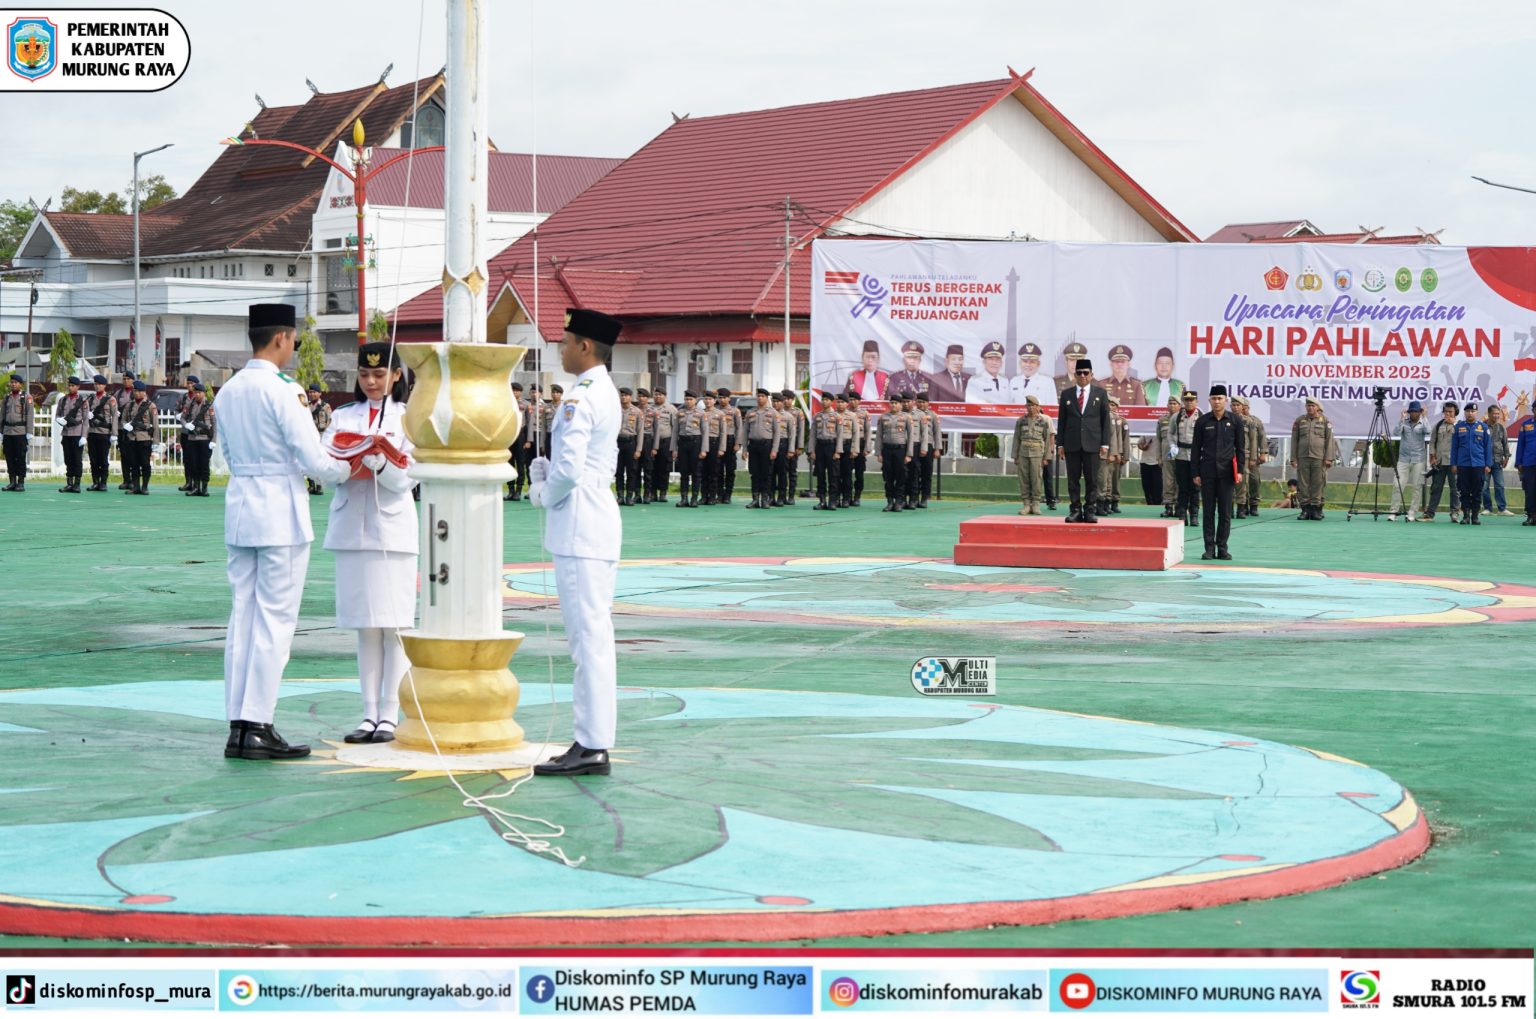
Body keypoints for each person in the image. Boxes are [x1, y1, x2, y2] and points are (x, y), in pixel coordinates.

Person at [218, 303, 351, 761]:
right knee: (275, 621)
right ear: (280, 338)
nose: (293, 347)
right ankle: (259, 722)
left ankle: (238, 724)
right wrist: (350, 467)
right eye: (293, 339)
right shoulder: (283, 390)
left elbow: (227, 458)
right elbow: (313, 458)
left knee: (243, 617)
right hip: (278, 511)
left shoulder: (229, 390)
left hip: (241, 508)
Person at [528, 308, 624, 777]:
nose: (561, 349)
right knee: (591, 638)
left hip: (581, 523)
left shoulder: (581, 397)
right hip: (592, 517)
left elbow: (568, 469)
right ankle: (591, 740)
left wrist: (543, 492)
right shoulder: (599, 390)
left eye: (566, 341)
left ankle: (591, 744)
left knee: (587, 641)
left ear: (585, 346)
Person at [321, 342, 418, 745]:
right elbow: (327, 468)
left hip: (392, 528)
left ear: (396, 375)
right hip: (351, 526)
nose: (372, 382)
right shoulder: (344, 416)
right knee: (364, 625)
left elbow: (411, 476)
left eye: (380, 375)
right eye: (365, 375)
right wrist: (349, 463)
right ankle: (368, 713)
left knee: (394, 624)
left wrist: (382, 463)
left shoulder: (410, 418)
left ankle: (391, 715)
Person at [1190, 384, 1244, 560]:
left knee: (1225, 512)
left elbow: (1241, 448)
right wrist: (1195, 473)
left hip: (1228, 473)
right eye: (1214, 398)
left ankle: (1222, 548)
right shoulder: (1203, 421)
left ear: (1226, 400)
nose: (1217, 401)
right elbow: (1196, 449)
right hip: (1207, 472)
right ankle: (1208, 549)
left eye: (1220, 398)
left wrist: (1240, 470)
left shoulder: (1235, 421)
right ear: (1209, 400)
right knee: (1208, 513)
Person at [1056, 358, 1111, 523]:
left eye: (1086, 372)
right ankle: (1075, 510)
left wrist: (1105, 443)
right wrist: (1060, 444)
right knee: (1073, 480)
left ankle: (1089, 510)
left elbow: (1105, 420)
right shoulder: (1066, 394)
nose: (1082, 375)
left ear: (1091, 374)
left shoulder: (1100, 394)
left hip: (1092, 443)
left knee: (1092, 480)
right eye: (1079, 373)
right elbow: (1062, 421)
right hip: (1072, 443)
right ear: (1075, 374)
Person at [1289, 397, 1335, 520]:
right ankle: (1305, 510)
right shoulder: (1300, 421)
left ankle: (1316, 509)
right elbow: (1294, 440)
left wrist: (1329, 458)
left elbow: (1330, 440)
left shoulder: (1325, 421)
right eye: (1308, 406)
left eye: (1313, 406)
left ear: (1318, 408)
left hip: (1319, 457)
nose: (1310, 408)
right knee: (1303, 484)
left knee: (1318, 483)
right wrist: (1293, 458)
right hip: (1303, 456)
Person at [1387, 400, 1430, 522]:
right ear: (1409, 412)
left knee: (1417, 486)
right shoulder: (1404, 422)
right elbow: (1396, 433)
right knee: (1397, 485)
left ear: (1420, 412)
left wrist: (1425, 416)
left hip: (1418, 459)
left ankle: (1412, 512)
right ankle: (1393, 511)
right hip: (1404, 459)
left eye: (1416, 411)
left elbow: (1428, 431)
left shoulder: (1423, 422)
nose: (1414, 414)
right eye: (1411, 411)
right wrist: (1401, 419)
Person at [1451, 402, 1492, 525]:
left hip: (1478, 464)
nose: (1470, 413)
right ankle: (1465, 516)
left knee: (1477, 491)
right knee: (1463, 491)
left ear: (1476, 413)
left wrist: (1488, 464)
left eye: (1473, 411)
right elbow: (1454, 447)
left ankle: (1475, 516)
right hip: (1463, 464)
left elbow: (1487, 447)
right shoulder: (1458, 427)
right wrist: (1453, 463)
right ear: (1465, 413)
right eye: (1468, 411)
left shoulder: (1483, 427)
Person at [741, 387, 782, 509]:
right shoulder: (750, 412)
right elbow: (745, 432)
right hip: (753, 445)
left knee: (766, 474)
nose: (760, 398)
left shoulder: (773, 413)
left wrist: (774, 450)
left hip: (767, 446)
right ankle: (755, 499)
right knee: (754, 473)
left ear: (767, 398)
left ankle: (765, 499)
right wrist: (744, 449)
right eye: (758, 396)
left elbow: (777, 433)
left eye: (763, 396)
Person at [1013, 395, 1053, 515]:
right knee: (1024, 478)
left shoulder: (1043, 421)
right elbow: (1016, 439)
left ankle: (1035, 503)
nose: (1030, 408)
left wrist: (1047, 457)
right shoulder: (1021, 421)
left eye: (1033, 406)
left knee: (1036, 478)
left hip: (1037, 453)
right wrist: (1015, 455)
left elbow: (1047, 441)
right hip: (1023, 453)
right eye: (1028, 406)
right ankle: (1026, 504)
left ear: (1038, 407)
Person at [876, 392, 915, 512]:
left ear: (900, 405)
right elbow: (878, 436)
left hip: (900, 450)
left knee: (901, 476)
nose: (893, 405)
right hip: (887, 450)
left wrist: (909, 454)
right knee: (888, 477)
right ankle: (889, 502)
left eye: (896, 403)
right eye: (891, 403)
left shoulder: (906, 417)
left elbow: (911, 436)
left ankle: (899, 502)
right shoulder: (883, 417)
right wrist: (878, 453)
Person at [810, 391, 847, 510]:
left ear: (831, 402)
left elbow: (840, 435)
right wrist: (812, 450)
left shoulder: (837, 417)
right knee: (820, 475)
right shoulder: (817, 416)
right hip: (820, 447)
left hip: (832, 447)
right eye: (823, 399)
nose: (824, 402)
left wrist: (838, 451)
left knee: (833, 476)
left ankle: (832, 501)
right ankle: (822, 500)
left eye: (827, 400)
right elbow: (812, 435)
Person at [1424, 402, 1460, 521]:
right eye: (1446, 411)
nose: (1448, 414)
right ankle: (1430, 513)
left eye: (1451, 412)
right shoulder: (1438, 425)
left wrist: (1453, 424)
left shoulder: (1460, 425)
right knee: (1436, 488)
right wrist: (1432, 456)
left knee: (1455, 489)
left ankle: (1454, 513)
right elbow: (1433, 441)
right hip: (1439, 462)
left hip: (1454, 463)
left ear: (1456, 413)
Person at [180, 383, 216, 497]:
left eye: (199, 392)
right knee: (193, 464)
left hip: (205, 438)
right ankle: (196, 487)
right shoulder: (190, 405)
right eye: (195, 392)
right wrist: (186, 425)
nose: (197, 394)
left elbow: (214, 423)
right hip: (192, 438)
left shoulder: (209, 405)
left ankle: (204, 488)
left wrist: (214, 440)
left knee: (204, 464)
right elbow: (182, 418)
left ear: (204, 393)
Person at [1234, 396, 1268, 518]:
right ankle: (1242, 505)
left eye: (1245, 407)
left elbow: (1261, 438)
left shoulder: (1254, 421)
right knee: (1241, 482)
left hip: (1251, 455)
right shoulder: (1231, 419)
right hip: (1237, 455)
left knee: (1253, 481)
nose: (1243, 409)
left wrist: (1262, 453)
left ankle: (1253, 505)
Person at [122, 380, 158, 495]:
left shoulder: (151, 406)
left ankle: (145, 486)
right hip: (132, 438)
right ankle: (135, 486)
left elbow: (155, 424)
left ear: (144, 392)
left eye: (138, 391)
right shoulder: (129, 405)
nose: (136, 393)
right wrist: (125, 425)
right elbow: (123, 419)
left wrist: (156, 441)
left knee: (145, 464)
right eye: (135, 391)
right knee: (134, 464)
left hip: (144, 438)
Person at [1172, 390, 1202, 526]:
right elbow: (1171, 433)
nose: (1189, 402)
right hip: (1181, 455)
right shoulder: (1177, 417)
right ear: (1183, 402)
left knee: (1195, 487)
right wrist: (1173, 445)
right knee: (1183, 486)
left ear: (1196, 401)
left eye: (1192, 400)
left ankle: (1194, 514)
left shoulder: (1202, 417)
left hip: (1197, 456)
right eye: (1187, 400)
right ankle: (1182, 513)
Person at [85, 375, 118, 492]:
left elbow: (114, 416)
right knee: (93, 459)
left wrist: (114, 433)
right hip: (92, 432)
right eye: (95, 384)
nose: (97, 386)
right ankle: (95, 482)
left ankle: (103, 482)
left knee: (103, 459)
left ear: (104, 385)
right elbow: (85, 414)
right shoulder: (90, 399)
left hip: (104, 432)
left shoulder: (110, 399)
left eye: (99, 384)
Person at [55, 376, 88, 493]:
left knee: (77, 459)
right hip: (66, 433)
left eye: (73, 385)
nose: (71, 387)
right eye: (69, 385)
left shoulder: (82, 401)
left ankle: (77, 484)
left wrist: (84, 436)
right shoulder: (63, 400)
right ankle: (69, 483)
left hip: (77, 433)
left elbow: (85, 420)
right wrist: (59, 420)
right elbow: (57, 415)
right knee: (68, 459)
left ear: (78, 387)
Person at [1149, 395, 1180, 516]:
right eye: (1170, 403)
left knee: (1180, 482)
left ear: (1179, 405)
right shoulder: (1162, 420)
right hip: (1166, 456)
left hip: (1181, 456)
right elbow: (1158, 439)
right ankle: (1168, 506)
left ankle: (1179, 506)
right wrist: (1159, 456)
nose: (1172, 406)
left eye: (1174, 403)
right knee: (1167, 482)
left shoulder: (1183, 419)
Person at [1, 376, 33, 492]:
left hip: (20, 432)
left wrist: (29, 432)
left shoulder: (26, 397)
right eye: (12, 382)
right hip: (8, 431)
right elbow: (2, 415)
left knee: (20, 457)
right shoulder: (7, 398)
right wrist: (1, 431)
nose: (13, 384)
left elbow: (30, 415)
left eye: (16, 383)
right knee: (9, 457)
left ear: (21, 384)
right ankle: (12, 482)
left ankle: (20, 482)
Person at [674, 390, 705, 508]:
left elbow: (705, 432)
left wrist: (703, 450)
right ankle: (684, 498)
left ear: (695, 400)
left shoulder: (701, 414)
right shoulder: (679, 413)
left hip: (695, 443)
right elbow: (675, 431)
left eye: (691, 399)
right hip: (682, 443)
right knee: (684, 472)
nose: (688, 401)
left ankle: (694, 498)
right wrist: (674, 449)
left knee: (696, 472)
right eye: (686, 399)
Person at [615, 387, 644, 505]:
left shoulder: (637, 412)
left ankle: (629, 496)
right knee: (619, 471)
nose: (623, 397)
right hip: (618, 443)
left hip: (631, 443)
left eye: (626, 395)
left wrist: (639, 449)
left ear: (630, 397)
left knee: (632, 471)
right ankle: (620, 496)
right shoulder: (615, 410)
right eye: (622, 395)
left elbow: (640, 431)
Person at [1482, 405, 1512, 515]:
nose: (1497, 416)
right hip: (1485, 462)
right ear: (1489, 414)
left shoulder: (1501, 427)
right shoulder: (1482, 426)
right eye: (1494, 413)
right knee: (1484, 486)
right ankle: (1487, 508)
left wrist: (1507, 457)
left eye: (1498, 414)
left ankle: (1502, 509)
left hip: (1498, 460)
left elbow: (1505, 443)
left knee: (1499, 485)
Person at [649, 387, 677, 503]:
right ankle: (652, 492)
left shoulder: (671, 409)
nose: (658, 397)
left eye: (660, 395)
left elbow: (675, 428)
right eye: (656, 394)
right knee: (651, 468)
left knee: (664, 468)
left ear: (665, 396)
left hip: (665, 441)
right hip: (650, 442)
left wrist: (675, 447)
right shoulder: (649, 408)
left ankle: (663, 492)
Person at [505, 381, 531, 502]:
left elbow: (530, 423)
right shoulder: (505, 403)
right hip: (509, 435)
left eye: (517, 390)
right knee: (509, 463)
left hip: (521, 435)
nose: (515, 392)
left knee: (521, 463)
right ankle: (510, 490)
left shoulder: (526, 404)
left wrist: (528, 440)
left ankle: (518, 490)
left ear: (520, 392)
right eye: (513, 390)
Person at [306, 383, 332, 496]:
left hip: (321, 436)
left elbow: (330, 422)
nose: (311, 394)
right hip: (308, 436)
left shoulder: (325, 406)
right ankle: (311, 484)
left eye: (314, 392)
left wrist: (327, 437)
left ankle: (319, 485)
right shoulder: (305, 406)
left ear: (319, 393)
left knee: (319, 461)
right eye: (310, 392)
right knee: (308, 460)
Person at [718, 388, 744, 504]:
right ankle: (719, 494)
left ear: (729, 398)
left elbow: (739, 428)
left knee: (730, 470)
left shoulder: (734, 411)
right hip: (717, 441)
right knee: (717, 470)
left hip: (730, 441)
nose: (722, 399)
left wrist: (738, 443)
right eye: (720, 397)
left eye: (724, 397)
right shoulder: (715, 410)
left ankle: (728, 494)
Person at [846, 392, 871, 506]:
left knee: (859, 473)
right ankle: (847, 496)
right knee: (846, 472)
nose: (852, 402)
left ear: (859, 401)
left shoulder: (864, 414)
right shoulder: (843, 413)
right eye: (850, 399)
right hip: (847, 443)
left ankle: (857, 496)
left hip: (860, 444)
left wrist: (867, 448)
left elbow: (867, 432)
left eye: (855, 400)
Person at [1515, 393, 1535, 525]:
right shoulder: (1525, 425)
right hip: (1529, 463)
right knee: (1530, 490)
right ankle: (1531, 516)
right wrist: (1519, 462)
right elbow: (1520, 444)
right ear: (1533, 410)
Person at [833, 393, 856, 508]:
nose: (840, 404)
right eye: (838, 402)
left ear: (847, 404)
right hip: (834, 447)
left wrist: (854, 449)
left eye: (842, 402)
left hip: (847, 446)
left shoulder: (852, 416)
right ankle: (836, 498)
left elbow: (856, 433)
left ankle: (846, 498)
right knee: (835, 474)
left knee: (847, 474)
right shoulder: (832, 415)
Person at [919, 394, 942, 506]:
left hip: (928, 446)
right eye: (919, 402)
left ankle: (924, 497)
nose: (921, 404)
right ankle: (913, 497)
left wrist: (937, 449)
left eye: (923, 402)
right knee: (913, 473)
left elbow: (937, 433)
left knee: (926, 473)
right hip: (915, 445)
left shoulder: (933, 415)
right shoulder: (911, 414)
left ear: (928, 403)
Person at [115, 370, 136, 489]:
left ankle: (134, 479)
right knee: (124, 455)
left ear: (133, 380)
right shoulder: (118, 394)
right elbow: (112, 405)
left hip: (133, 429)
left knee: (133, 455)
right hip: (121, 428)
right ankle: (126, 479)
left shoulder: (137, 392)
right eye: (124, 379)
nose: (126, 381)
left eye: (128, 379)